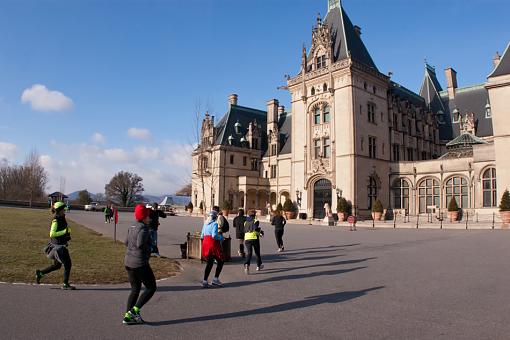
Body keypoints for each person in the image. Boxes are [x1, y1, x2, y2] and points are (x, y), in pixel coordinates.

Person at [122, 204, 157, 325]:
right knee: (151, 287)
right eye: (148, 216)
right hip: (139, 263)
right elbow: (140, 243)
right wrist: (150, 248)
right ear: (143, 217)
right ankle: (134, 311)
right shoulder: (143, 228)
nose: (150, 218)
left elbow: (126, 242)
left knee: (135, 289)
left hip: (128, 261)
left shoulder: (132, 226)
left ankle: (128, 316)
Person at [35, 201, 75, 290]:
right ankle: (65, 284)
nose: (65, 210)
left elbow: (62, 231)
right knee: (68, 264)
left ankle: (40, 273)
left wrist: (67, 235)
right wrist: (64, 232)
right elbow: (52, 234)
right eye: (63, 209)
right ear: (59, 210)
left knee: (57, 266)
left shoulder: (62, 218)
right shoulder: (56, 220)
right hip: (58, 248)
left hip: (60, 246)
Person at [200, 210, 225, 288]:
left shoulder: (205, 224)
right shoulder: (214, 224)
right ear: (215, 217)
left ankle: (205, 280)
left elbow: (202, 235)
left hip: (205, 244)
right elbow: (214, 235)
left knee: (209, 263)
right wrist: (221, 238)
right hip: (213, 244)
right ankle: (215, 279)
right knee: (220, 261)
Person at [243, 209, 264, 274]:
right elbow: (255, 228)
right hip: (254, 238)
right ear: (254, 215)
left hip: (247, 238)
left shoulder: (245, 222)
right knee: (257, 252)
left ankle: (247, 265)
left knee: (249, 253)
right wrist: (261, 232)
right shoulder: (256, 221)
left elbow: (246, 229)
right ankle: (258, 265)